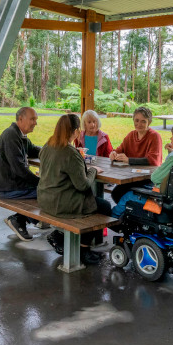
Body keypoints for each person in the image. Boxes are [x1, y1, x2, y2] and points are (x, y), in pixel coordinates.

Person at [37, 113, 113, 265]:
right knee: (104, 206)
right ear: (76, 131)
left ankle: (59, 235)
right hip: (62, 203)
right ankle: (84, 248)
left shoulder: (47, 146)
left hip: (45, 199)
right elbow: (83, 185)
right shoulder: (70, 152)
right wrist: (93, 170)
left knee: (93, 201)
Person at [112, 123, 173, 217]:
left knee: (127, 196)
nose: (170, 139)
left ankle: (113, 218)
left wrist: (170, 156)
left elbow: (155, 177)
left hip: (161, 201)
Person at [0, 106, 41, 241]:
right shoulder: (11, 136)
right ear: (21, 119)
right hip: (8, 188)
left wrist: (53, 152)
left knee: (47, 189)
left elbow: (34, 150)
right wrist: (40, 182)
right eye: (32, 119)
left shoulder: (20, 135)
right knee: (48, 191)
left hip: (13, 185)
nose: (35, 123)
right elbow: (19, 170)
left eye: (35, 119)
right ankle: (18, 219)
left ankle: (34, 219)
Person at [108, 106, 164, 203]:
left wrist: (128, 160)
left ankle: (128, 214)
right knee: (116, 193)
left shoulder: (154, 136)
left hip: (148, 178)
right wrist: (113, 154)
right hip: (130, 177)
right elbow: (119, 150)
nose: (139, 124)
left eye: (143, 121)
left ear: (149, 122)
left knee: (119, 193)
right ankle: (126, 213)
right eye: (137, 120)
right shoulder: (131, 135)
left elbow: (153, 160)